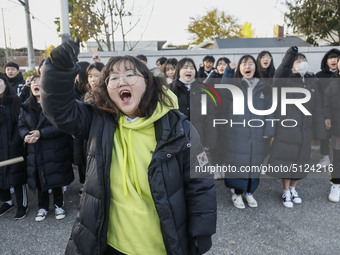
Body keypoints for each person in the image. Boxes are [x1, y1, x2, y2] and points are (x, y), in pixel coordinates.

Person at [40, 40, 216, 255]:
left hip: (161, 246)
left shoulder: (180, 128)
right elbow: (58, 110)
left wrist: (200, 234)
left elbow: (200, 184)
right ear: (106, 89)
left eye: (130, 75)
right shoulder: (98, 120)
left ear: (148, 82)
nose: (121, 80)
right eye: (113, 78)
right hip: (107, 244)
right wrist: (58, 69)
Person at [268, 47, 326, 208]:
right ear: (291, 65)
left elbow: (318, 107)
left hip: (305, 130)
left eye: (303, 61)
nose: (302, 64)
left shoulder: (312, 82)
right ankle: (286, 191)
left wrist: (321, 132)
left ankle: (293, 188)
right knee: (287, 160)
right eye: (298, 61)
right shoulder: (285, 81)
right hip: (288, 128)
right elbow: (279, 75)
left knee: (301, 161)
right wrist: (290, 55)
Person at [18, 75, 74, 221]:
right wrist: (25, 135)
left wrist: (41, 133)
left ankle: (58, 205)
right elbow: (21, 125)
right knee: (38, 179)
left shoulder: (54, 104)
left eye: (39, 82)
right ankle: (42, 207)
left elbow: (61, 126)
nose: (36, 84)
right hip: (35, 150)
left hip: (54, 148)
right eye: (33, 83)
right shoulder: (25, 106)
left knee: (56, 177)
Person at [222, 55, 275, 209]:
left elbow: (270, 110)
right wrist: (228, 72)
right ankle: (237, 193)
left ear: (256, 68)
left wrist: (269, 129)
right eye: (244, 64)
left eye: (251, 64)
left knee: (255, 162)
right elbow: (225, 92)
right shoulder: (236, 86)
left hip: (258, 133)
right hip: (238, 133)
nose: (247, 67)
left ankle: (249, 191)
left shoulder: (264, 87)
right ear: (239, 69)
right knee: (238, 163)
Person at [0, 72, 28, 220]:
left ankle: (22, 205)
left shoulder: (15, 101)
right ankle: (7, 201)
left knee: (17, 176)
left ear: (5, 84)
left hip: (14, 145)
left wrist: (15, 141)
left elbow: (21, 123)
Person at [316, 48, 340, 168]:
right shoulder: (319, 76)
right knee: (324, 134)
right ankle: (324, 157)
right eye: (330, 58)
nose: (333, 60)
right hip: (324, 109)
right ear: (326, 61)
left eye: (336, 58)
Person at [323, 58, 340, 202]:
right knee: (337, 157)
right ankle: (336, 185)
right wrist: (327, 117)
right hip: (337, 127)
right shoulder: (332, 83)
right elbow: (326, 103)